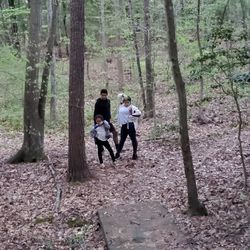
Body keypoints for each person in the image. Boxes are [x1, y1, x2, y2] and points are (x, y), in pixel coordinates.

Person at [115, 96, 141, 160]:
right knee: (122, 140)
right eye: (125, 102)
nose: (126, 103)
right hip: (123, 125)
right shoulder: (121, 106)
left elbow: (139, 113)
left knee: (133, 139)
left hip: (130, 125)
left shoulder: (132, 107)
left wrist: (131, 116)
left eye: (127, 102)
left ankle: (134, 154)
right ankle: (117, 154)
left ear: (130, 102)